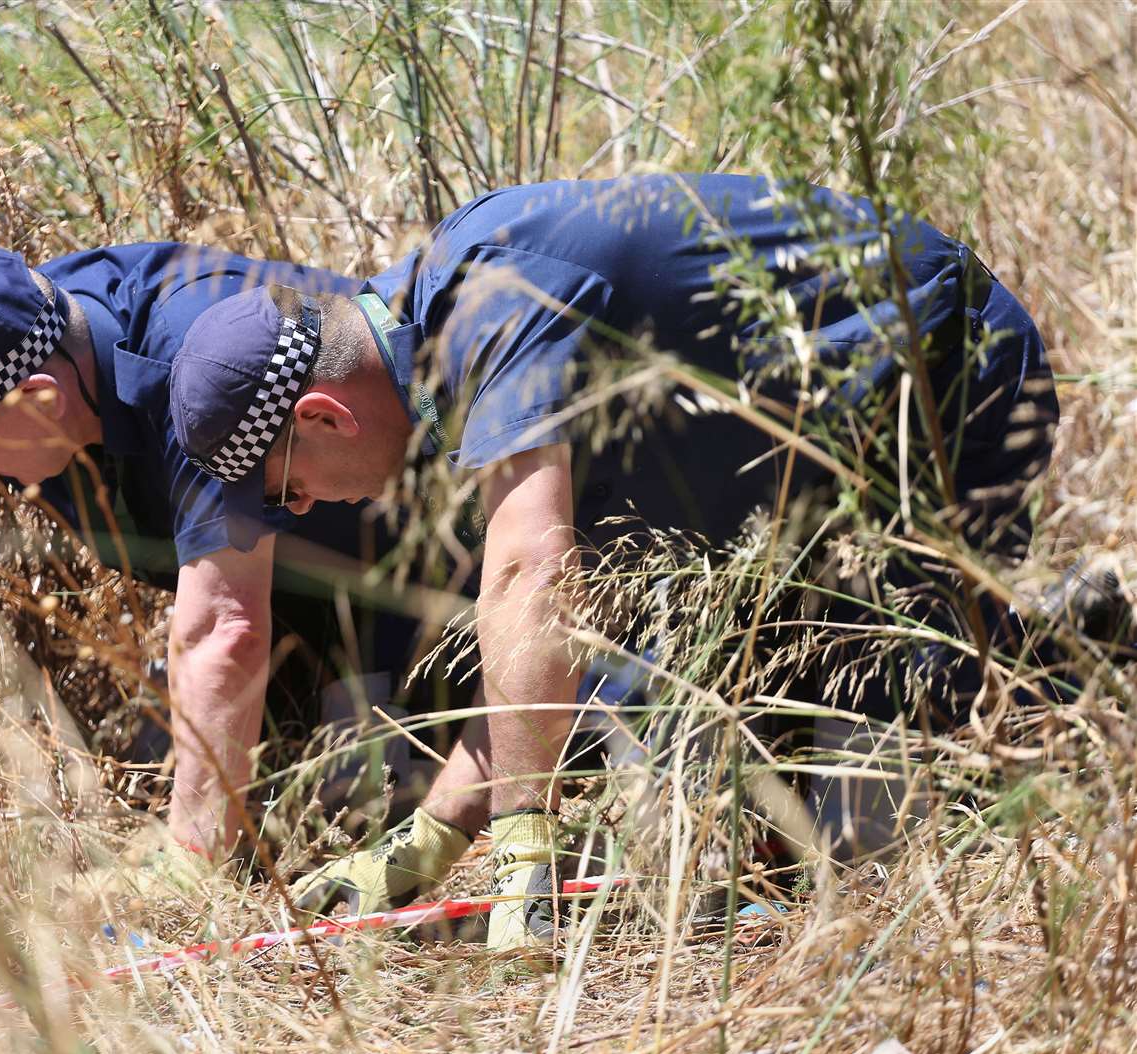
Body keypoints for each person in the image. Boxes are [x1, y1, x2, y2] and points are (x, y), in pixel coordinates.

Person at [167, 174, 1061, 949]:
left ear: (325, 417)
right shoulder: (440, 341)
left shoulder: (494, 301)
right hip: (809, 460)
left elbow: (526, 582)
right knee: (776, 827)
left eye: (287, 487)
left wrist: (525, 843)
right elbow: (557, 631)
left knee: (896, 816)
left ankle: (1087, 664)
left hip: (942, 378)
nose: (305, 509)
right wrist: (436, 836)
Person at [0, 242, 432, 879]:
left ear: (41, 400)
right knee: (153, 751)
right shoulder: (8, 339)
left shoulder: (207, 377)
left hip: (410, 580)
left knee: (356, 808)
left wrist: (190, 868)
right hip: (286, 592)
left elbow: (224, 632)